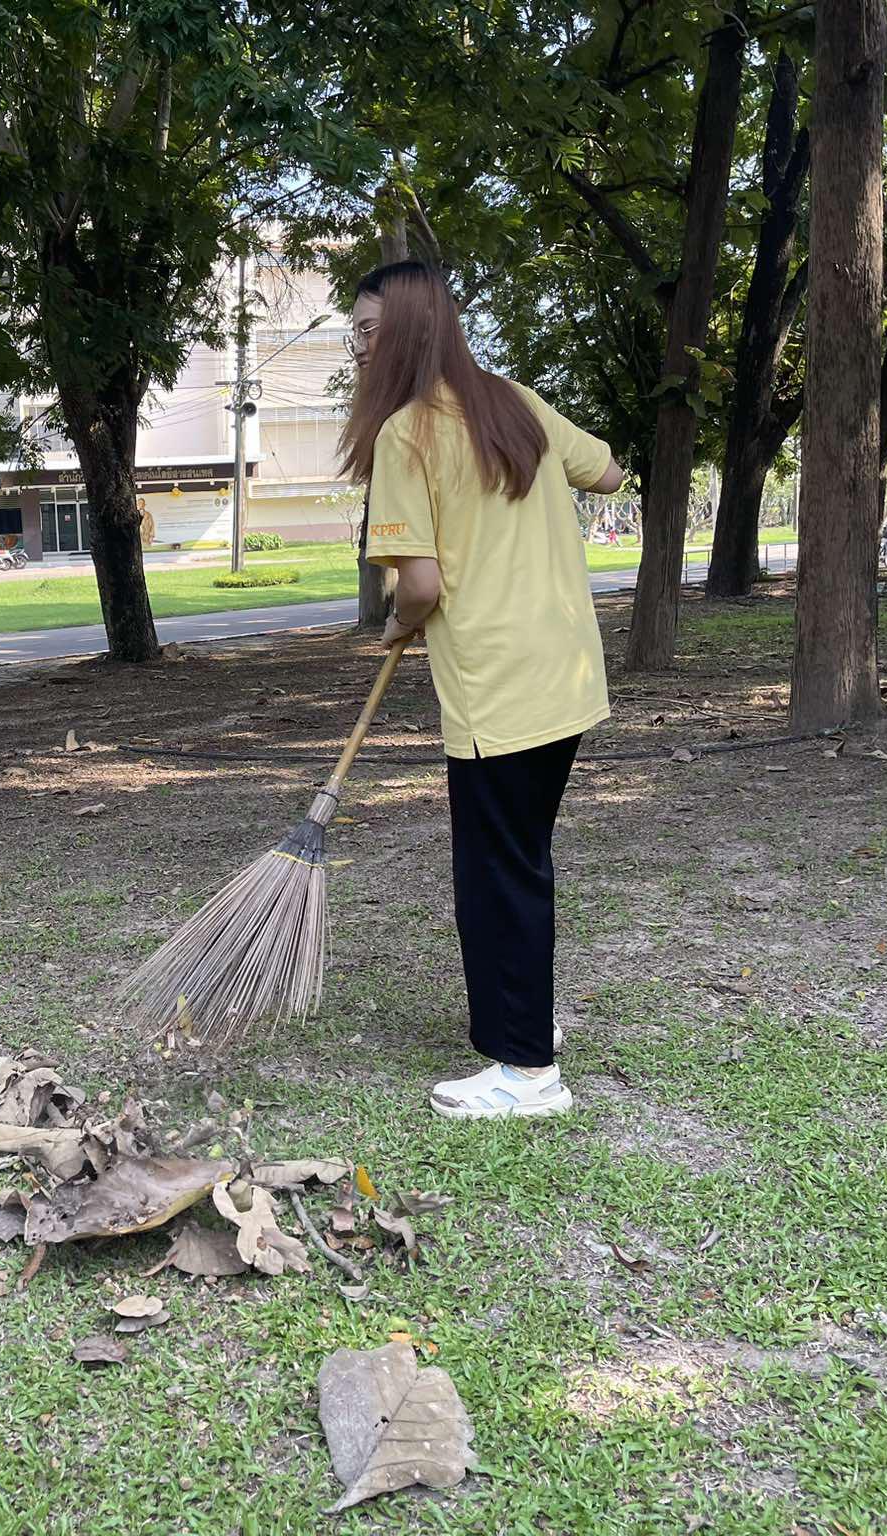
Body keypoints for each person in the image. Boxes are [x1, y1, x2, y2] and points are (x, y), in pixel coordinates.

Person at [343, 261, 624, 1119]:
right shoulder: (516, 401)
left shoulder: (405, 435)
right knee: (520, 861)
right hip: (565, 676)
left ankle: (528, 1073)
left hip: (497, 691)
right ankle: (524, 1020)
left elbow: (420, 585)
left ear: (404, 335)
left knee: (496, 876)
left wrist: (398, 623)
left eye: (364, 332)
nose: (355, 350)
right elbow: (608, 472)